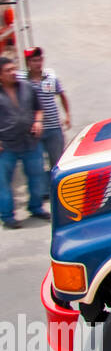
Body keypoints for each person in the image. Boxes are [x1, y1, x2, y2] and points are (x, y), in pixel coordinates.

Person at [0, 55, 46, 228]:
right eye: (8, 71)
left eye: (13, 69)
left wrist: (38, 121)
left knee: (36, 177)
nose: (13, 73)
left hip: (30, 142)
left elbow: (38, 109)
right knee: (4, 183)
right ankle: (7, 216)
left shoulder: (27, 87)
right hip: (6, 146)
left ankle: (36, 207)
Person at [18, 47, 70, 192]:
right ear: (28, 62)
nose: (38, 63)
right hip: (34, 130)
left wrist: (67, 115)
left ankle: (58, 189)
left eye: (40, 59)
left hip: (53, 127)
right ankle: (44, 191)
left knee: (57, 161)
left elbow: (61, 95)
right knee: (37, 163)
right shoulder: (20, 80)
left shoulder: (50, 77)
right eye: (34, 60)